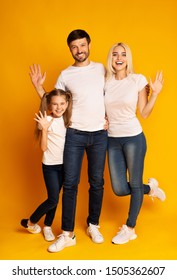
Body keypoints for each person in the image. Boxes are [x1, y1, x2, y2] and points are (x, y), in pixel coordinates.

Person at [29, 29, 108, 252]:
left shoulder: (101, 69)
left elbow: (111, 95)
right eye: (74, 47)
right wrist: (37, 86)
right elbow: (54, 102)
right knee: (71, 184)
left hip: (99, 135)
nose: (79, 50)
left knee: (97, 182)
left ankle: (93, 224)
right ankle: (67, 234)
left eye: (82, 45)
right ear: (70, 49)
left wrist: (109, 118)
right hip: (74, 134)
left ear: (89, 45)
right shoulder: (65, 75)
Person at [104, 42, 166, 245]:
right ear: (111, 58)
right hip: (112, 139)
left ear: (128, 58)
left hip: (133, 137)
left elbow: (145, 113)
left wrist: (155, 93)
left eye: (123, 54)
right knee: (120, 188)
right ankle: (149, 189)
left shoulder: (137, 80)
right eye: (115, 54)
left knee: (134, 181)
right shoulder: (106, 81)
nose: (119, 58)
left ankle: (130, 228)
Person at [21, 89, 72, 242]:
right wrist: (44, 129)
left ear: (67, 104)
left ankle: (47, 226)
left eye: (62, 104)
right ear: (49, 105)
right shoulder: (46, 120)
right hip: (50, 166)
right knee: (53, 199)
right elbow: (43, 148)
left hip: (66, 165)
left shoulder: (68, 120)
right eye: (55, 104)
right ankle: (30, 222)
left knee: (55, 197)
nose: (59, 107)